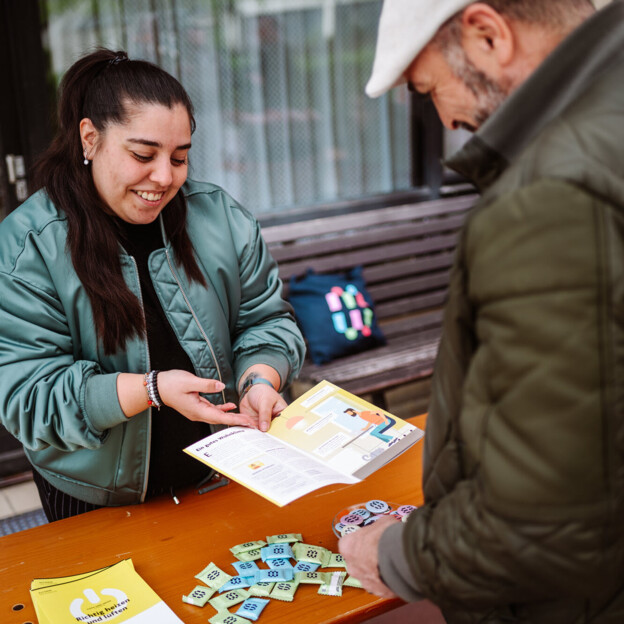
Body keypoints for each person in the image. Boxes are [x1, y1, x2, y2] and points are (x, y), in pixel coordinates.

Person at [339, 1, 624, 621]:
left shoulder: (552, 196)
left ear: (487, 34)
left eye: (427, 88)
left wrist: (392, 553)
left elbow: (540, 524)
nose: (444, 117)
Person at [0, 48, 305, 522]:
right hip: (93, 494)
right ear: (90, 138)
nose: (164, 178)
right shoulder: (28, 245)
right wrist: (151, 389)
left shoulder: (220, 217)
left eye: (179, 158)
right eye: (143, 154)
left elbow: (264, 321)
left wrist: (260, 380)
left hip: (221, 472)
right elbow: (27, 395)